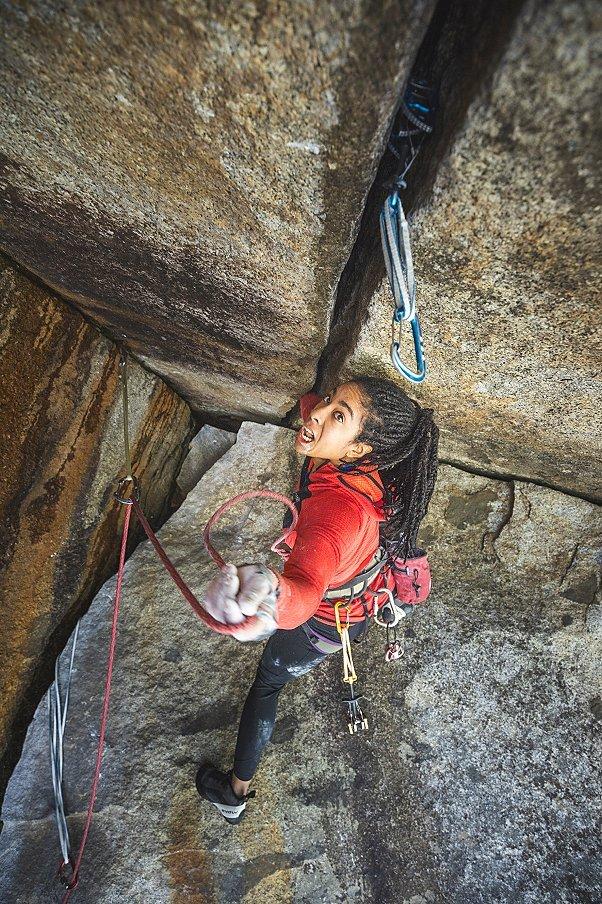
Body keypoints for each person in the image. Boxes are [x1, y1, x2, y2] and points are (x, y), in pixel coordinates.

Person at [196, 377, 439, 823]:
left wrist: (272, 595)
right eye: (329, 401)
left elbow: (306, 591)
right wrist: (325, 407)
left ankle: (234, 793)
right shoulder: (359, 459)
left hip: (324, 623)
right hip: (356, 604)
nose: (317, 414)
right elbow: (315, 407)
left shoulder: (336, 513)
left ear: (357, 449)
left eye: (337, 415)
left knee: (268, 682)